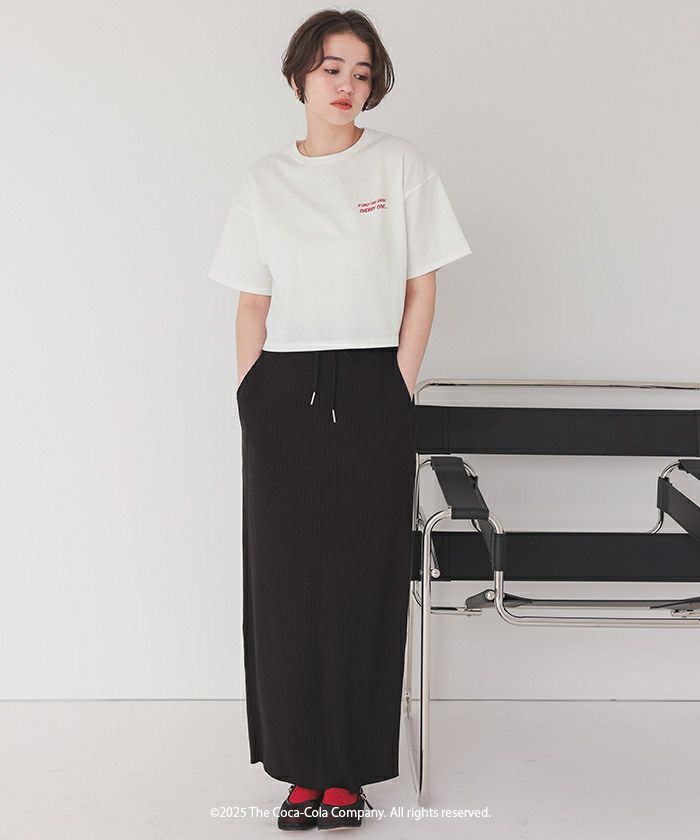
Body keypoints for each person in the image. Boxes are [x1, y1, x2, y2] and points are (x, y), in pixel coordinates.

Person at [207, 9, 472, 832]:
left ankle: (347, 774)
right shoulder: (263, 181)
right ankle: (299, 770)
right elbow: (252, 303)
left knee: (364, 574)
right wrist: (252, 394)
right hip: (282, 386)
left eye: (362, 73)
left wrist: (397, 384)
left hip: (371, 382)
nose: (347, 85)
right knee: (284, 580)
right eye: (331, 69)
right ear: (299, 76)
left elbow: (421, 286)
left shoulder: (400, 166)